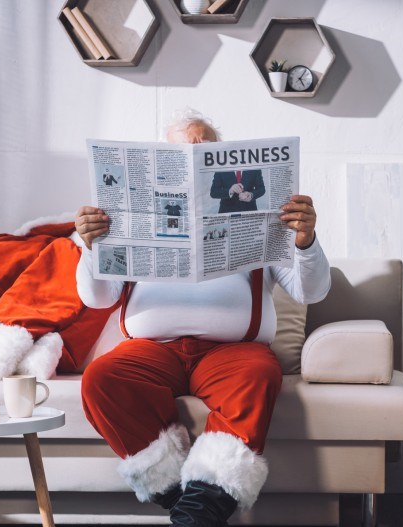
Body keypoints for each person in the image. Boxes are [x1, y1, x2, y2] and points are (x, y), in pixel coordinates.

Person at [74, 109, 330, 526]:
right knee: (103, 378)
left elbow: (311, 290)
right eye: (182, 151)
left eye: (204, 148)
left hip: (233, 354)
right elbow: (99, 298)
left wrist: (305, 240)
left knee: (258, 376)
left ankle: (200, 506)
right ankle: (189, 502)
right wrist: (91, 247)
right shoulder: (129, 216)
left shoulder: (265, 216)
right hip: (151, 352)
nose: (193, 157)